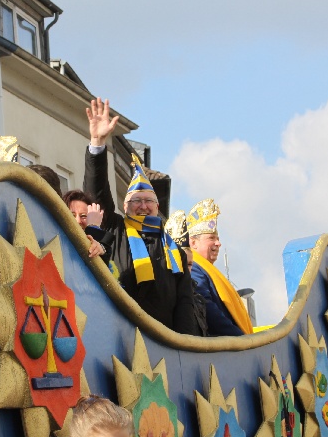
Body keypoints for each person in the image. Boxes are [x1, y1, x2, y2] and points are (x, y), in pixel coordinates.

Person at [83, 98, 200, 335]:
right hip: (121, 334)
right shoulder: (116, 230)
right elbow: (97, 193)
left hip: (163, 341)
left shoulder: (174, 251)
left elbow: (185, 303)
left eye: (149, 201)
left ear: (157, 207)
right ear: (125, 206)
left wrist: (183, 344)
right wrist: (97, 144)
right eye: (137, 201)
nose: (143, 206)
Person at [186, 199, 253, 337]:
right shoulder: (194, 268)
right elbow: (208, 309)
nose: (218, 243)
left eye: (217, 238)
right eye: (211, 238)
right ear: (193, 243)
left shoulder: (206, 269)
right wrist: (240, 337)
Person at [62, 189, 112, 265]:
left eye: (83, 216)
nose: (78, 221)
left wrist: (93, 228)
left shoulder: (103, 250)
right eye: (72, 215)